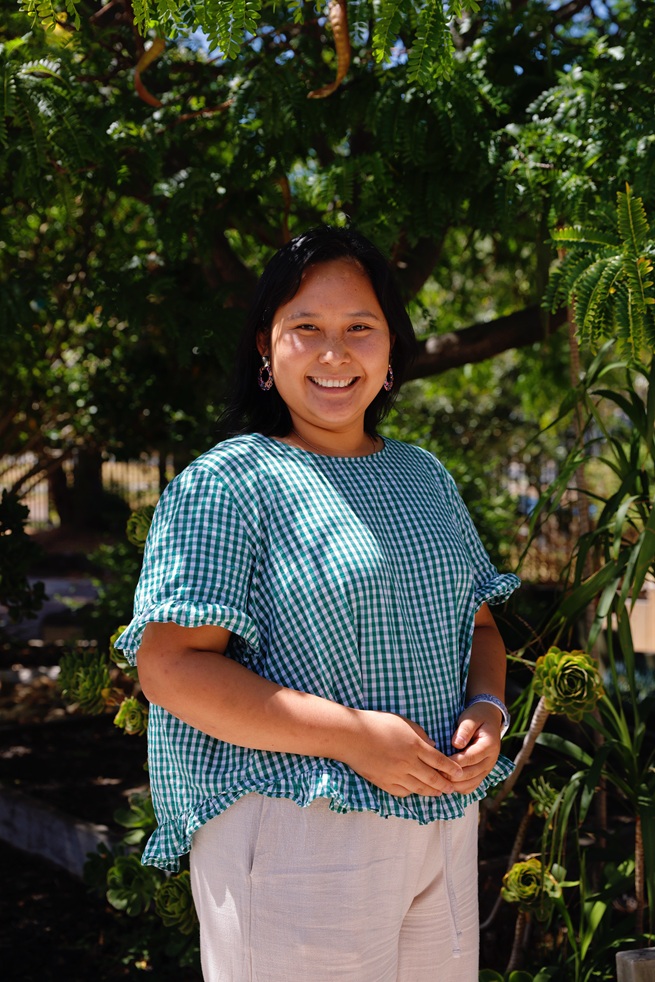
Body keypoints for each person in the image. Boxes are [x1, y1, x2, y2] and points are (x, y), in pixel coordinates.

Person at [115, 225, 520, 982]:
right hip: (296, 827)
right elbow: (169, 669)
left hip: (440, 818)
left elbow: (481, 628)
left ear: (391, 351)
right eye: (306, 327)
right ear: (265, 350)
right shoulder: (228, 482)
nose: (334, 353)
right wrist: (354, 738)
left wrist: (489, 710)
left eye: (360, 328)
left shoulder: (424, 476)